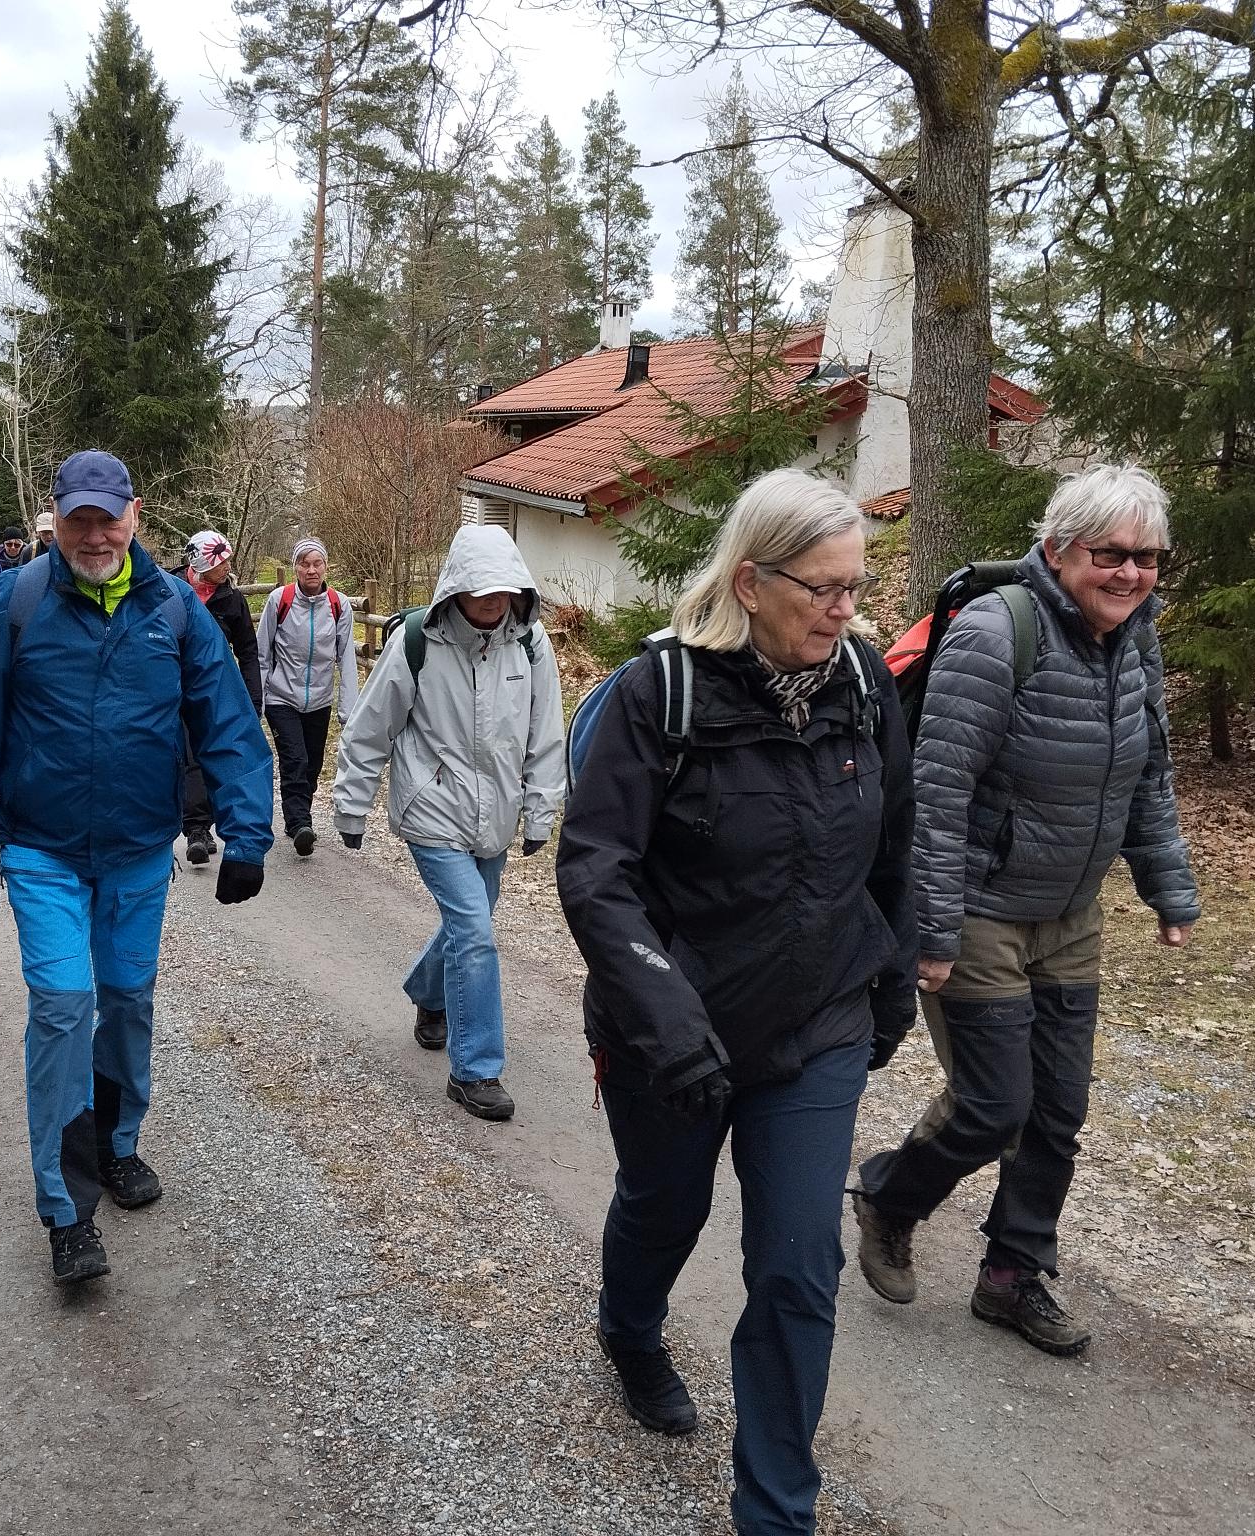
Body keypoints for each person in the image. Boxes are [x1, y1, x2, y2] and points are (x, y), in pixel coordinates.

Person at [555, 468, 915, 1534]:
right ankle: (630, 1331)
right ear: (751, 582)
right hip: (673, 1032)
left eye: (856, 587)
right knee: (666, 1208)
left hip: (817, 1025)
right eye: (824, 589)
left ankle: (775, 1512)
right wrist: (666, 1020)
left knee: (800, 1266)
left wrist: (893, 974)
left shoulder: (864, 683)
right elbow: (596, 872)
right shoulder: (658, 694)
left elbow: (893, 845)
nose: (846, 611)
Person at [851, 462, 1200, 1359]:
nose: (1130, 572)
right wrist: (932, 929)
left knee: (1058, 1112)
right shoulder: (994, 634)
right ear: (1058, 550)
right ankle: (890, 1196)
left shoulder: (1137, 640)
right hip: (978, 909)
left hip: (1070, 913)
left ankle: (1012, 1275)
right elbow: (937, 793)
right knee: (996, 1104)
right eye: (1110, 554)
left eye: (1147, 557)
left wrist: (1167, 886)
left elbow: (1148, 773)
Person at [0, 449, 275, 1286]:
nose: (93, 535)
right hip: (41, 850)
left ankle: (117, 1144)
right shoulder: (18, 602)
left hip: (137, 853)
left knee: (125, 1002)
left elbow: (226, 722)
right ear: (55, 520)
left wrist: (247, 834)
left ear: (133, 516)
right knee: (62, 1005)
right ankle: (67, 1208)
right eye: (77, 519)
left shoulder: (173, 609)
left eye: (106, 519)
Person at [332, 524, 565, 1122]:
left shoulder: (531, 645)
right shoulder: (418, 642)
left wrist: (540, 810)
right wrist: (352, 805)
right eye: (481, 590)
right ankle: (476, 1069)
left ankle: (429, 993)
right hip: (432, 809)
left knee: (470, 924)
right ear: (456, 588)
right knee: (476, 931)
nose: (493, 601)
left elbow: (545, 734)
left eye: (504, 589)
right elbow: (371, 728)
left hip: (497, 815)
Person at [256, 537, 359, 855]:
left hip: (319, 701)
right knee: (295, 760)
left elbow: (347, 659)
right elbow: (262, 654)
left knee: (312, 766)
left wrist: (348, 711)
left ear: (326, 567)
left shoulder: (339, 605)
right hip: (281, 698)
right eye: (304, 564)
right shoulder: (279, 600)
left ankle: (296, 819)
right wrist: (257, 703)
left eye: (317, 564)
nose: (311, 570)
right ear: (295, 568)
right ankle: (301, 822)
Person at [169, 529, 263, 865]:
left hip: (215, 690)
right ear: (201, 563)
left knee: (213, 754)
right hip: (172, 690)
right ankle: (195, 828)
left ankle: (202, 825)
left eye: (228, 560)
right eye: (220, 561)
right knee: (187, 756)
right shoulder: (170, 592)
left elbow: (248, 651)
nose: (227, 567)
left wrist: (253, 698)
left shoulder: (232, 599)